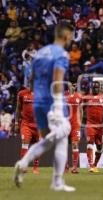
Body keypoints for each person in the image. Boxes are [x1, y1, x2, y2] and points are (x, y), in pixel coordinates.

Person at [14, 22, 75, 192]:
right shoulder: (61, 54)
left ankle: (56, 181)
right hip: (52, 101)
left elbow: (31, 78)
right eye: (71, 35)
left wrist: (38, 93)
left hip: (37, 102)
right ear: (66, 35)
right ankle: (26, 164)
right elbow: (57, 79)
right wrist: (56, 106)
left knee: (51, 140)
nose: (71, 39)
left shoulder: (40, 53)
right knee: (64, 132)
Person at [15, 85, 40, 174]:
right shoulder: (22, 93)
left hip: (38, 125)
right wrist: (16, 123)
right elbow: (18, 108)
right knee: (25, 142)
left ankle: (35, 167)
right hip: (26, 124)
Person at [82, 81, 103, 173]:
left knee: (99, 146)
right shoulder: (87, 97)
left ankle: (95, 165)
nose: (96, 89)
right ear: (91, 88)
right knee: (90, 143)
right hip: (90, 124)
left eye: (97, 87)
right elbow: (81, 108)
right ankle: (91, 165)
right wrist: (83, 117)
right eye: (94, 87)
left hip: (101, 126)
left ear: (99, 87)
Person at [65, 83, 82, 174]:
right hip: (65, 124)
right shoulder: (63, 95)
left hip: (75, 125)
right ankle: (65, 166)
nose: (73, 86)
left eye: (75, 84)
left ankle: (75, 167)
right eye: (71, 84)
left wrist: (81, 121)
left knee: (75, 144)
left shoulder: (79, 96)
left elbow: (81, 109)